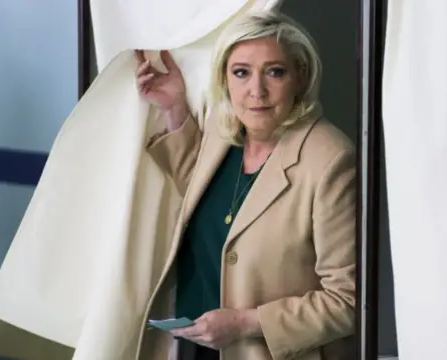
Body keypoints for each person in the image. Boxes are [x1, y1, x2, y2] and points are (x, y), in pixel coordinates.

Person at [135, 11, 356, 360]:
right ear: (224, 79)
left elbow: (347, 301)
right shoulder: (224, 131)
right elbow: (202, 192)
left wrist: (244, 323)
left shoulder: (331, 160)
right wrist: (174, 108)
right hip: (191, 346)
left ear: (299, 76)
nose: (257, 91)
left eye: (275, 72)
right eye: (241, 73)